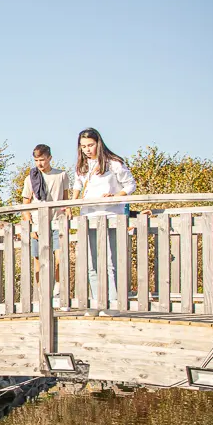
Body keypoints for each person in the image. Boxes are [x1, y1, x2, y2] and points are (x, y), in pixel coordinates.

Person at [71, 128, 135, 308]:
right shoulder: (82, 166)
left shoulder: (113, 163)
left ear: (98, 143)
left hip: (110, 215)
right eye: (83, 146)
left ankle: (114, 302)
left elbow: (130, 184)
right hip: (88, 215)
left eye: (90, 145)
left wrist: (116, 196)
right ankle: (96, 302)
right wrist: (72, 203)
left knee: (110, 261)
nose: (87, 149)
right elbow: (77, 184)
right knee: (91, 262)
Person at [21, 144, 71, 296]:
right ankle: (41, 292)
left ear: (49, 158)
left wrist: (68, 211)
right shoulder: (31, 178)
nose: (39, 164)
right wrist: (30, 225)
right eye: (36, 160)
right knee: (38, 259)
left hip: (57, 221)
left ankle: (58, 289)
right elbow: (26, 203)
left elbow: (65, 198)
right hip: (37, 223)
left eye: (42, 160)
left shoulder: (61, 175)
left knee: (60, 257)